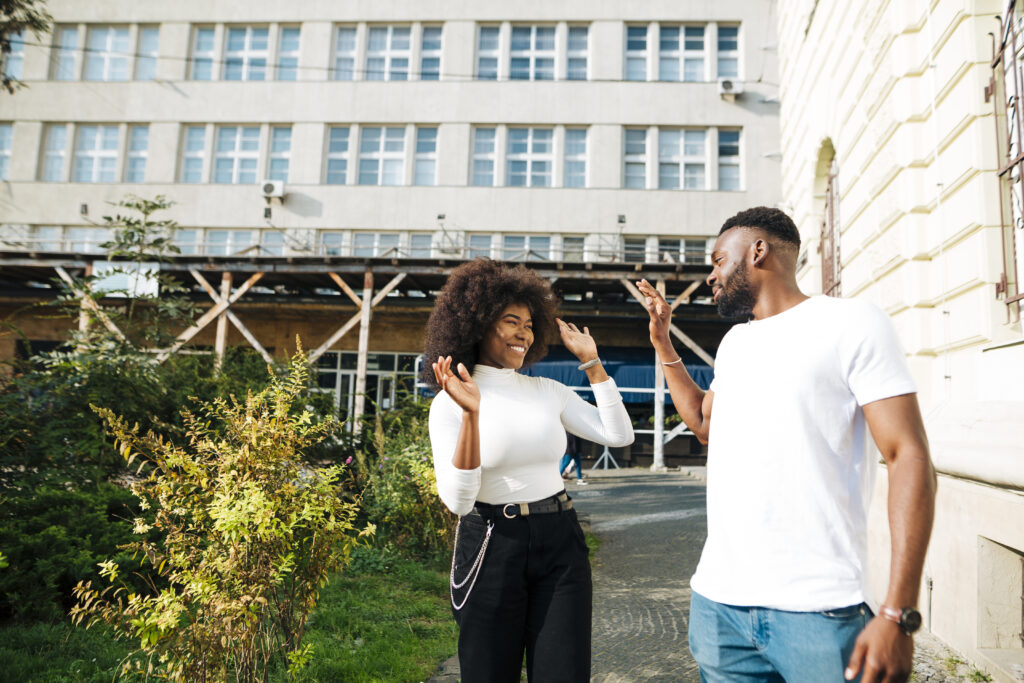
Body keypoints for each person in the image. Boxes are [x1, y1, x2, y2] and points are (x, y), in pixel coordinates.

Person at [637, 206, 936, 683]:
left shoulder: (853, 322)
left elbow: (909, 456)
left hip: (819, 611)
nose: (711, 275)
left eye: (717, 260)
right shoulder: (736, 343)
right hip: (720, 608)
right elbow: (703, 424)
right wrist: (663, 345)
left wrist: (898, 613)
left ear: (758, 250)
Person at [425, 259, 633, 683]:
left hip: (561, 542)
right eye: (510, 321)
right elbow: (460, 501)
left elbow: (619, 434)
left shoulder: (547, 391)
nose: (524, 332)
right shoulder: (449, 403)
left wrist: (593, 364)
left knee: (564, 673)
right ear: (479, 324)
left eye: (529, 323)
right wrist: (470, 415)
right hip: (490, 543)